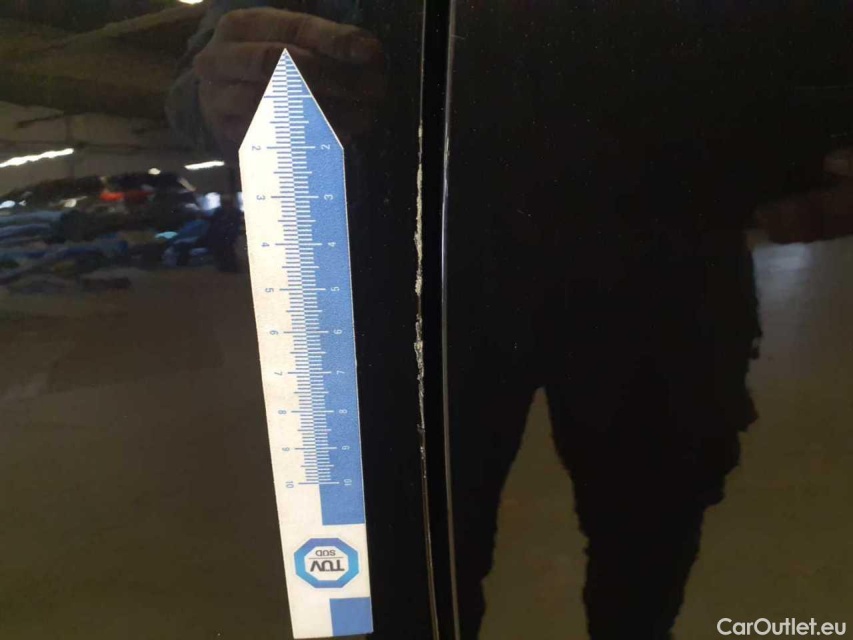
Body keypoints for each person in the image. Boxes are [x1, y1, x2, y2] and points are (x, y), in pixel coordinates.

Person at [167, 3, 853, 638]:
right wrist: (215, 88)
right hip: (415, 284)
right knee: (407, 571)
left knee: (649, 543)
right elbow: (206, 67)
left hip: (664, 259)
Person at [205, 193, 243, 272]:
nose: (224, 204)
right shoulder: (219, 211)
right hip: (218, 234)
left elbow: (235, 223)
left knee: (229, 250)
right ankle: (223, 267)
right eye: (223, 202)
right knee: (220, 250)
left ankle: (232, 267)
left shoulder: (235, 212)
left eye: (226, 202)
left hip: (229, 234)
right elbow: (213, 220)